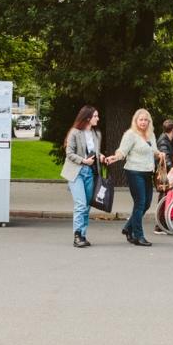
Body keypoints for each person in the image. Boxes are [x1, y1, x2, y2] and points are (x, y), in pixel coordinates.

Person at [61, 105, 119, 248]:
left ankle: (83, 234)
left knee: (87, 205)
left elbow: (95, 152)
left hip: (91, 173)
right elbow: (69, 153)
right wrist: (83, 160)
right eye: (95, 116)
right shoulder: (74, 132)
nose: (98, 119)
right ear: (87, 118)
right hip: (76, 172)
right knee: (80, 204)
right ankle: (77, 235)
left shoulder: (96, 134)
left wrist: (101, 156)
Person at [117, 108, 159, 246]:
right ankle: (138, 236)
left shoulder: (150, 134)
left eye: (146, 120)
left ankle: (128, 227)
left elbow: (153, 151)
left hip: (148, 172)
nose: (143, 122)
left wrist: (160, 154)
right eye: (141, 120)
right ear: (136, 121)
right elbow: (122, 151)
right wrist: (115, 157)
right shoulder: (130, 134)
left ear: (149, 121)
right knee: (140, 202)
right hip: (134, 172)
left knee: (146, 204)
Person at [154, 119, 173, 233]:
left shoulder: (171, 139)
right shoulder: (164, 141)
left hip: (166, 171)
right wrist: (171, 166)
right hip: (163, 172)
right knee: (164, 196)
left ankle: (162, 224)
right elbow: (165, 156)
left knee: (165, 196)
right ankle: (160, 225)